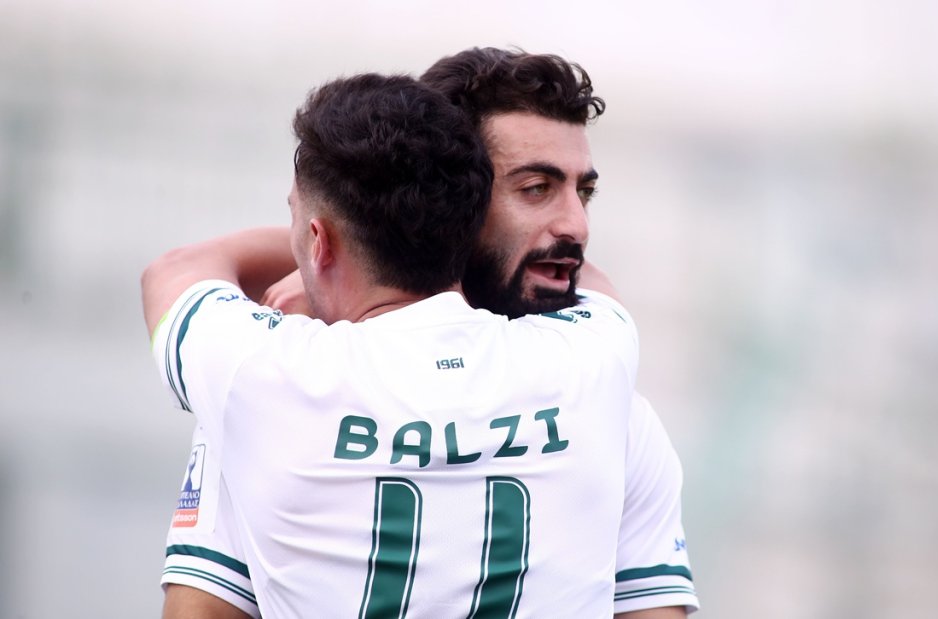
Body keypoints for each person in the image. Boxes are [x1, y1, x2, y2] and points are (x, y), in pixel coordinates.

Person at [160, 49, 699, 618]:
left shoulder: (265, 383)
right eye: (536, 188)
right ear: (454, 197)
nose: (577, 225)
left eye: (583, 192)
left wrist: (324, 254)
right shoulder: (600, 375)